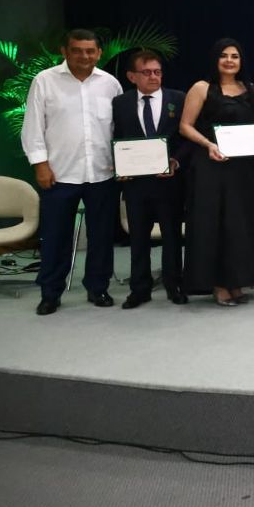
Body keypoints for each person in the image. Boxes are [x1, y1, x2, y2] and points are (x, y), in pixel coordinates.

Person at [20, 28, 124, 315]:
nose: (84, 56)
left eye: (90, 51)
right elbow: (33, 127)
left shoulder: (110, 84)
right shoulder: (45, 81)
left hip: (102, 173)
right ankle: (50, 293)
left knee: (102, 236)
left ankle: (98, 287)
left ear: (99, 53)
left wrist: (123, 160)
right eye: (77, 50)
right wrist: (40, 165)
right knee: (55, 237)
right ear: (65, 52)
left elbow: (119, 127)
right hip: (58, 174)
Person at [179, 38, 254, 305]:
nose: (229, 61)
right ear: (215, 59)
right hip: (212, 167)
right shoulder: (201, 88)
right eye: (224, 56)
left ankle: (238, 281)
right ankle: (218, 283)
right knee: (217, 224)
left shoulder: (251, 90)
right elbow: (185, 126)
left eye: (235, 56)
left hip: (246, 170)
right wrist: (208, 144)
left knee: (242, 225)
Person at [112, 49, 187, 308]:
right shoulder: (120, 103)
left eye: (157, 72)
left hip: (169, 181)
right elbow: (117, 138)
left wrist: (176, 159)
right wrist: (119, 165)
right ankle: (140, 289)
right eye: (146, 72)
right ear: (132, 76)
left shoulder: (178, 99)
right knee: (138, 238)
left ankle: (174, 285)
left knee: (172, 236)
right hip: (136, 183)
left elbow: (187, 137)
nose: (153, 77)